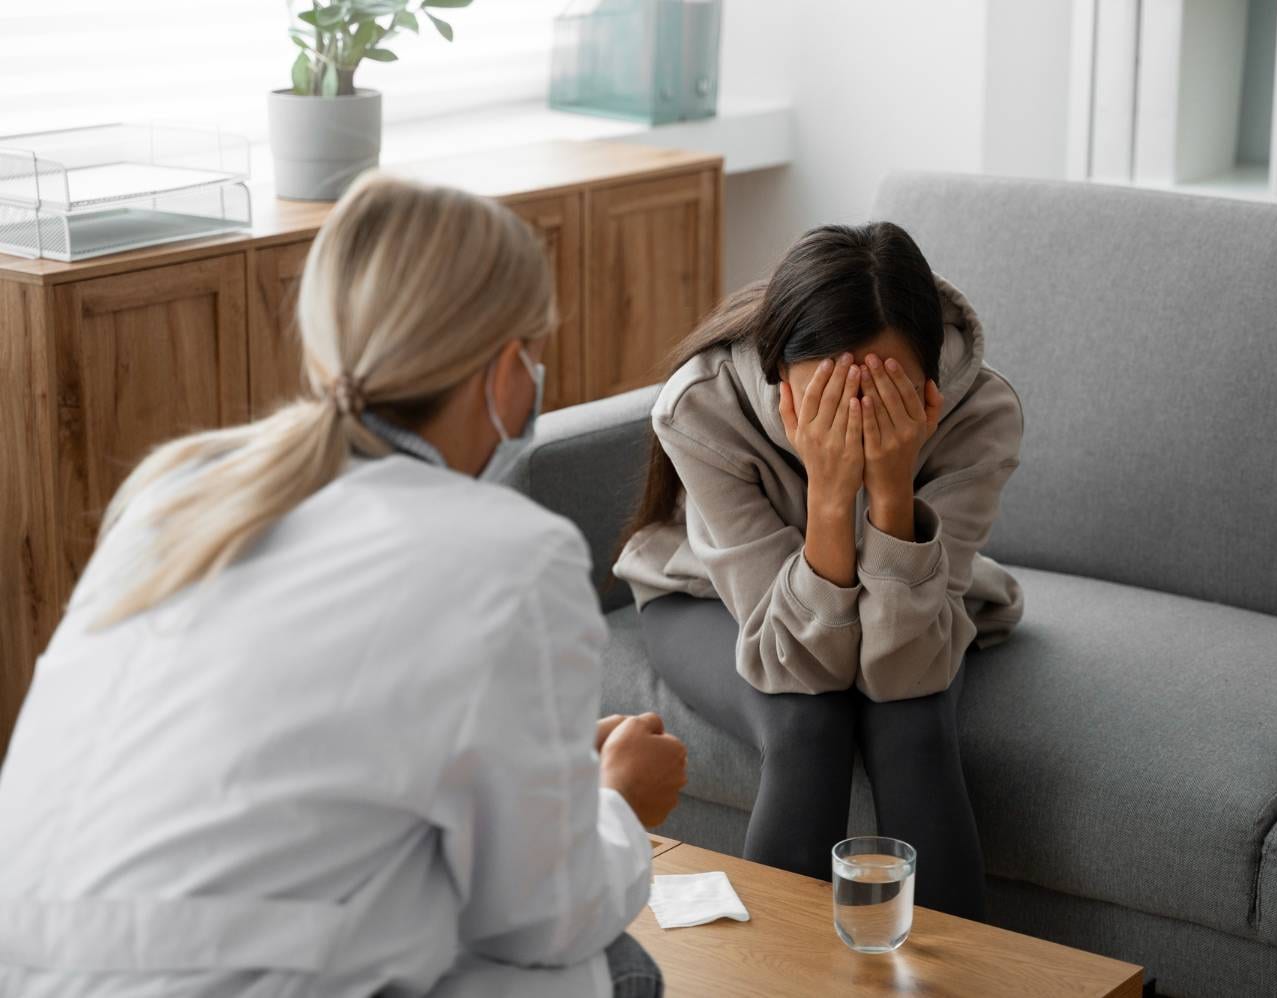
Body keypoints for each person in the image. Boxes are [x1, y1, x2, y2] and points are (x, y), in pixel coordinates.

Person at [0, 174, 686, 998]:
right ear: (508, 368)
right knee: (611, 967)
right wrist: (616, 801)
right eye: (538, 352)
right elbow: (544, 916)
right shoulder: (506, 553)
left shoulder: (176, 493)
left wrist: (539, 759)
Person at [614, 222, 1023, 920]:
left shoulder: (980, 414)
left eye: (882, 398)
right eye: (829, 401)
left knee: (912, 720)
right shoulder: (701, 405)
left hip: (909, 606)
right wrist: (831, 496)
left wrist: (892, 495)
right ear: (779, 377)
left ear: (929, 387)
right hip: (706, 598)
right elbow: (802, 667)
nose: (854, 423)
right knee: (808, 723)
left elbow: (901, 669)